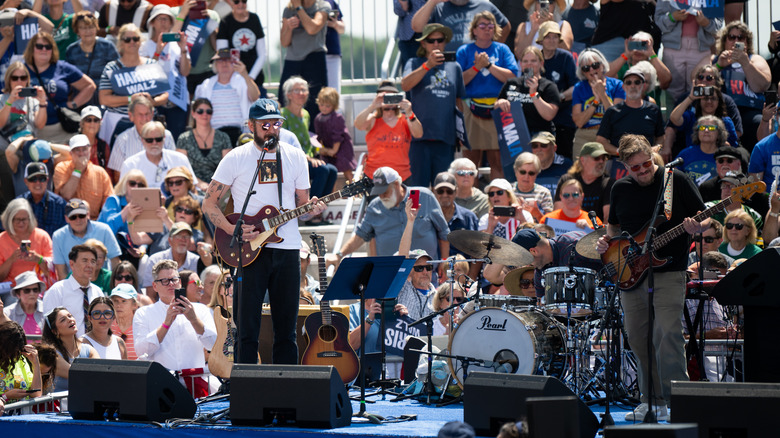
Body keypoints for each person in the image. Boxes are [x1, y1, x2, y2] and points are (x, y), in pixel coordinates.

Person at [201, 98, 326, 365]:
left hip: (288, 248)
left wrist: (312, 208)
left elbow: (303, 204)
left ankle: (287, 393)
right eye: (265, 125)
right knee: (246, 331)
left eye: (276, 124)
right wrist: (230, 227)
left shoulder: (295, 156)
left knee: (286, 330)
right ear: (251, 126)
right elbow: (209, 203)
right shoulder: (236, 158)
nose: (271, 130)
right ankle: (246, 393)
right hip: (248, 253)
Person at [595, 134, 706, 422]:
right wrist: (606, 245)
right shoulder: (619, 188)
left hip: (670, 268)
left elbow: (706, 217)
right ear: (624, 167)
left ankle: (676, 400)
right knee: (638, 337)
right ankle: (651, 401)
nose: (643, 171)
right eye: (635, 168)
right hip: (630, 271)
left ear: (652, 155)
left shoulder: (675, 180)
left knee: (667, 333)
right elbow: (613, 227)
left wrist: (697, 226)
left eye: (646, 164)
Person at [331, 167, 449, 273]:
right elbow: (360, 236)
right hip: (390, 277)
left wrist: (443, 263)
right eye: (378, 193)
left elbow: (444, 234)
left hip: (425, 274)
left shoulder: (425, 196)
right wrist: (339, 255)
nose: (381, 196)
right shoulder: (374, 206)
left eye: (385, 192)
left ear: (397, 184)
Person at [133, 260, 216, 396]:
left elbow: (213, 345)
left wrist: (194, 319)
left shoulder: (200, 310)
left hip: (196, 384)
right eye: (165, 281)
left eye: (174, 279)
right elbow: (141, 352)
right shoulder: (143, 313)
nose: (171, 284)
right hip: (161, 386)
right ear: (155, 286)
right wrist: (166, 324)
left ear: (180, 282)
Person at [401, 23, 466, 187]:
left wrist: (461, 133)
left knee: (444, 188)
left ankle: (441, 214)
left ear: (445, 42)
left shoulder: (455, 66)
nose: (436, 44)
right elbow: (405, 85)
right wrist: (427, 66)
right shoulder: (414, 62)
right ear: (423, 43)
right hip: (418, 139)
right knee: (417, 189)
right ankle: (414, 213)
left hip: (445, 138)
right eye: (431, 40)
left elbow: (459, 102)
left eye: (440, 40)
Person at [457, 11, 519, 180]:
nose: (486, 29)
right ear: (474, 30)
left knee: (496, 161)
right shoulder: (464, 51)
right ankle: (471, 202)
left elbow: (512, 77)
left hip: (498, 107)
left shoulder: (502, 49)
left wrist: (489, 65)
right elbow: (459, 81)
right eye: (482, 25)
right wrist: (477, 67)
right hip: (471, 107)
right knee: (470, 164)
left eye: (490, 26)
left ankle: (497, 200)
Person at [703, 21, 771, 152]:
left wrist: (745, 63)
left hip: (750, 109)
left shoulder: (755, 59)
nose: (735, 40)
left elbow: (762, 86)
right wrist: (718, 66)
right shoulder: (714, 59)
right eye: (731, 37)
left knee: (756, 124)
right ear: (725, 40)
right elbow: (698, 80)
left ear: (747, 41)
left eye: (740, 37)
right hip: (721, 108)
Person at [98, 24, 169, 145]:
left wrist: (153, 102)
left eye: (135, 39)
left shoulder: (151, 64)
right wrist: (131, 99)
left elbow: (165, 95)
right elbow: (104, 99)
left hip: (148, 122)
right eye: (127, 39)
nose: (132, 42)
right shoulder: (112, 67)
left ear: (140, 41)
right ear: (121, 43)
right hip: (120, 122)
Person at [25, 31, 96, 144]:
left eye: (48, 47)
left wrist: (72, 104)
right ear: (31, 49)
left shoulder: (62, 67)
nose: (44, 50)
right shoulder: (21, 71)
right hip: (32, 131)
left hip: (62, 129)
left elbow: (90, 86)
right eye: (39, 46)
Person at [280, 76, 338, 204]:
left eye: (304, 90)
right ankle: (309, 210)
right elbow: (284, 144)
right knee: (322, 171)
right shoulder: (282, 115)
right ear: (289, 95)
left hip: (308, 158)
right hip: (292, 161)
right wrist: (308, 158)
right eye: (297, 90)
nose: (301, 93)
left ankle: (319, 209)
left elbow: (308, 141)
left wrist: (324, 150)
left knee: (332, 171)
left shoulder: (306, 114)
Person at [138, 4, 190, 141]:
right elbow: (144, 74)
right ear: (152, 23)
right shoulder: (143, 46)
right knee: (153, 138)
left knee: (176, 139)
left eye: (167, 19)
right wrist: (157, 52)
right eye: (160, 18)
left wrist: (184, 50)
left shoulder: (179, 46)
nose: (163, 22)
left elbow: (185, 72)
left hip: (177, 101)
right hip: (154, 102)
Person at [354, 81, 423, 183]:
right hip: (375, 176)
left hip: (401, 177)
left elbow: (419, 134)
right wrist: (372, 106)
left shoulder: (405, 119)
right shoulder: (373, 119)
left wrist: (409, 112)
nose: (388, 100)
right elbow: (358, 125)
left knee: (410, 198)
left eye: (391, 96)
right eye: (384, 97)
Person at [654, 2, 722, 101]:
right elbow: (658, 21)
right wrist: (673, 17)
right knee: (672, 91)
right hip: (672, 48)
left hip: (701, 49)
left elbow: (718, 26)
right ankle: (672, 116)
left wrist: (706, 23)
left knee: (699, 88)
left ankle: (696, 115)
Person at [193, 49, 261, 147]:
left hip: (240, 131)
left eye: (228, 60)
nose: (224, 63)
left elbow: (255, 96)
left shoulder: (242, 80)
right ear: (215, 64)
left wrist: (245, 74)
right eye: (220, 60)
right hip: (214, 132)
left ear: (234, 63)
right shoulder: (206, 85)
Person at [596, 68, 664, 157]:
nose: (633, 86)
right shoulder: (612, 112)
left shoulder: (653, 110)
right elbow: (601, 140)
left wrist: (657, 147)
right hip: (619, 162)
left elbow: (661, 137)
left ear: (643, 86)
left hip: (646, 162)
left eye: (637, 82)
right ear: (623, 87)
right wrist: (618, 152)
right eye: (628, 82)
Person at [278, 0, 329, 121]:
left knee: (315, 101)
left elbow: (312, 28)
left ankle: (314, 136)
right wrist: (289, 28)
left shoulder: (322, 6)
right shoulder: (288, 10)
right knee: (284, 98)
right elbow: (284, 42)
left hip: (314, 57)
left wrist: (299, 8)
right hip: (292, 58)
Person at [571, 48, 625, 160]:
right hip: (585, 134)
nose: (591, 70)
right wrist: (596, 101)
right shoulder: (579, 88)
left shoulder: (617, 85)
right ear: (582, 72)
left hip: (608, 135)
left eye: (595, 65)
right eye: (586, 68)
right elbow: (579, 122)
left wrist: (602, 94)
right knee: (578, 172)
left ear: (602, 65)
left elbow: (616, 117)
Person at [108, 96, 176, 181]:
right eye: (140, 114)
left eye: (147, 114)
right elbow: (118, 176)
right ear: (131, 116)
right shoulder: (122, 140)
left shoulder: (166, 136)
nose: (144, 118)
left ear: (152, 114)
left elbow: (174, 169)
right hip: (134, 190)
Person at [495, 46, 560, 136]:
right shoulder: (512, 82)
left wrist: (533, 94)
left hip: (539, 136)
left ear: (541, 63)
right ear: (521, 64)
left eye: (533, 61)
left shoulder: (549, 86)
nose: (529, 64)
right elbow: (496, 107)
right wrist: (500, 103)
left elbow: (549, 115)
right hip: (514, 136)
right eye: (525, 61)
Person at [43, 244, 105, 336]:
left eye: (93, 261)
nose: (90, 265)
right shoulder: (57, 291)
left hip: (95, 347)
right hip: (66, 348)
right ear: (72, 264)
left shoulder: (97, 292)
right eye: (85, 261)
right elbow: (49, 326)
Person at [51, 199, 121, 281]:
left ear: (88, 214)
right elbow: (61, 272)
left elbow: (115, 262)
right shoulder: (58, 236)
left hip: (103, 282)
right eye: (73, 217)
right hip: (74, 285)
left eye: (81, 215)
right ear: (66, 219)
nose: (78, 220)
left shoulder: (104, 230)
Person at [538, 21, 577, 159]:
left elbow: (575, 87)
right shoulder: (534, 57)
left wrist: (557, 98)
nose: (552, 40)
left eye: (555, 37)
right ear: (541, 40)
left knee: (564, 156)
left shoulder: (566, 57)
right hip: (539, 115)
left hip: (563, 115)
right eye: (548, 37)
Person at [175, 98, 232, 191]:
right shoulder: (183, 139)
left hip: (219, 187)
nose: (204, 114)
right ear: (193, 114)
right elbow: (181, 168)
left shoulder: (223, 137)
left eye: (208, 111)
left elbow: (228, 167)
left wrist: (214, 185)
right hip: (192, 187)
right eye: (200, 111)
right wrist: (198, 183)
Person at [52, 134, 114, 219]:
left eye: (84, 149)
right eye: (77, 150)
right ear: (71, 153)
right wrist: (78, 170)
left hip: (93, 222)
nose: (81, 153)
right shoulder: (62, 168)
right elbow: (66, 195)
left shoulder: (100, 173)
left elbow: (109, 203)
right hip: (68, 220)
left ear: (90, 150)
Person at [411, 0, 511, 52]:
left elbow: (506, 27)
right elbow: (417, 27)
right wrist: (432, 1)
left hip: (479, 64)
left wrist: (491, 48)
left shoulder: (485, 5)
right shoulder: (439, 8)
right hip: (449, 64)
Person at [65, 11, 119, 105]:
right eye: (83, 28)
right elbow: (68, 78)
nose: (88, 31)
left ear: (96, 28)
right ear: (77, 30)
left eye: (91, 27)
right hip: (80, 100)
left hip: (103, 100)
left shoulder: (107, 46)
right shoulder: (71, 50)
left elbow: (117, 73)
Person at [119, 121, 196, 187]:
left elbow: (193, 187)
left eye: (158, 139)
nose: (154, 143)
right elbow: (122, 192)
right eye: (149, 140)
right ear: (142, 140)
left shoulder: (180, 159)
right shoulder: (130, 164)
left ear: (164, 138)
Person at [41, 306, 99, 391]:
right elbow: (77, 375)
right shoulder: (52, 355)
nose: (70, 320)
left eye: (70, 316)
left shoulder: (89, 350)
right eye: (63, 320)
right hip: (60, 404)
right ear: (54, 331)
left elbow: (100, 374)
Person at [0, 198, 54, 289]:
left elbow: (53, 272)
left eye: (24, 219)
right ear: (9, 219)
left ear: (30, 219)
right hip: (12, 289)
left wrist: (39, 259)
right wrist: (11, 260)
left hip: (39, 288)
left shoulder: (42, 236)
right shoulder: (1, 239)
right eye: (17, 220)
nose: (21, 223)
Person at [216, 0, 267, 95]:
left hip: (256, 80)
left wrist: (250, 78)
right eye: (236, 1)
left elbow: (262, 54)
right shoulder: (225, 22)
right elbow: (222, 53)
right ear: (231, 3)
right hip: (233, 81)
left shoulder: (254, 19)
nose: (240, 4)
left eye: (244, 1)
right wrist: (237, 78)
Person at [554, 142, 613, 221]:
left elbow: (607, 218)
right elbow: (558, 213)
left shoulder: (608, 183)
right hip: (568, 229)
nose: (601, 161)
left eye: (604, 158)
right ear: (582, 160)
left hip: (596, 230)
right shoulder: (567, 181)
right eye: (597, 158)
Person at [138, 221, 201, 291]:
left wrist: (196, 282)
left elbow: (199, 285)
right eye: (178, 236)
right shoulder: (155, 260)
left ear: (190, 242)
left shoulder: (197, 261)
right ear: (170, 241)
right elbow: (150, 293)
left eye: (186, 237)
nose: (183, 239)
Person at [313, 87, 356, 183]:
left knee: (346, 168)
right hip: (328, 147)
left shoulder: (337, 117)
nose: (324, 108)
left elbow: (338, 136)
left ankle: (354, 188)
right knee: (331, 171)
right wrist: (320, 149)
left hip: (341, 147)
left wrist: (334, 150)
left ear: (334, 105)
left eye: (327, 106)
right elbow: (319, 136)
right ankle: (332, 193)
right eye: (321, 105)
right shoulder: (318, 118)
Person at [607, 31, 671, 94]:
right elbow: (605, 76)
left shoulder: (655, 69)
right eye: (634, 45)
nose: (638, 50)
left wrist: (651, 54)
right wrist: (626, 54)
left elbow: (666, 81)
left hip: (649, 103)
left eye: (643, 45)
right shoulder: (624, 68)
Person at [433, 172, 479, 257]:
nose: (445, 195)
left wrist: (472, 271)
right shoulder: (428, 218)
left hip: (464, 269)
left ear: (456, 192)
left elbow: (477, 251)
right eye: (440, 191)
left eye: (449, 191)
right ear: (434, 192)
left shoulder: (469, 217)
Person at [16, 162, 67, 238]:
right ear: (26, 181)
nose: (38, 183)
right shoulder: (17, 204)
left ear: (47, 180)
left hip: (51, 248)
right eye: (33, 179)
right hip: (23, 247)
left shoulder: (59, 204)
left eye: (42, 179)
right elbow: (6, 228)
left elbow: (67, 233)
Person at [676, 115, 731, 185]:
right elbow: (672, 178)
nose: (706, 130)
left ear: (719, 133)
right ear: (697, 132)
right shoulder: (685, 154)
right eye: (702, 128)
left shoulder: (726, 156)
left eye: (711, 128)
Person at [0, 62, 47, 142]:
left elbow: (40, 125)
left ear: (27, 79)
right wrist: (10, 101)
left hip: (27, 149)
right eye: (15, 78)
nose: (19, 81)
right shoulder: (2, 99)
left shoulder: (33, 100)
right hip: (5, 149)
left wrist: (42, 102)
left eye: (23, 78)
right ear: (9, 80)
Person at [0, 321, 43, 406]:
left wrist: (35, 363)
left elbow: (36, 394)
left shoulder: (21, 360)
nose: (16, 352)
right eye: (12, 349)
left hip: (21, 417)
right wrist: (6, 396)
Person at [97, 169, 148, 235]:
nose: (136, 187)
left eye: (141, 185)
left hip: (133, 244)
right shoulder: (113, 200)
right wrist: (127, 210)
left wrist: (143, 245)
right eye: (132, 183)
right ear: (124, 184)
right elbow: (109, 228)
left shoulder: (145, 205)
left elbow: (148, 234)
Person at [511, 152, 553, 223]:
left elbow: (549, 225)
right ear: (515, 171)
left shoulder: (544, 193)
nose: (526, 176)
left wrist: (537, 214)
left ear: (537, 174)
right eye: (522, 172)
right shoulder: (507, 190)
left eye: (531, 173)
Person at [748, 101, 780, 188]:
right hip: (770, 199)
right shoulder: (761, 147)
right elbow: (755, 189)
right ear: (776, 116)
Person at [530, 131, 572, 197]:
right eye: (535, 146)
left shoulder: (567, 166)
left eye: (543, 145)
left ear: (554, 148)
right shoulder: (527, 167)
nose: (539, 149)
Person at [110, 283, 141, 360]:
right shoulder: (106, 326)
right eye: (116, 301)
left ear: (134, 305)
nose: (118, 305)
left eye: (123, 301)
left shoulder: (141, 326)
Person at [79, 106, 111, 174]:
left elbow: (108, 174)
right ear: (81, 123)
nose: (92, 123)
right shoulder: (72, 144)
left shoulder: (104, 146)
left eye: (96, 120)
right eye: (88, 120)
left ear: (100, 123)